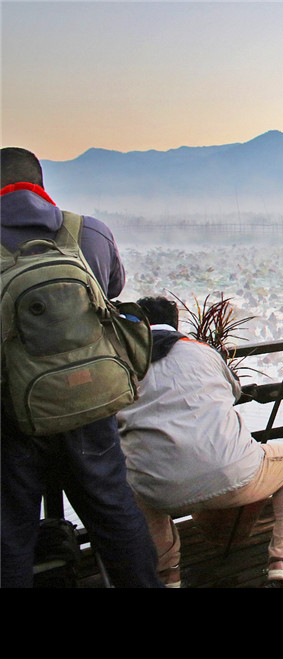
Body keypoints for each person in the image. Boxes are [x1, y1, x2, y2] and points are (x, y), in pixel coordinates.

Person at [0, 146, 162, 588]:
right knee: (114, 509)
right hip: (89, 399)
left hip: (13, 411)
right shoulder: (87, 230)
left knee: (11, 528)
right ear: (40, 184)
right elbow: (113, 289)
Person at [118, 296, 283, 586]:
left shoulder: (120, 362)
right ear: (176, 323)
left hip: (159, 489)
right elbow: (234, 392)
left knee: (131, 482)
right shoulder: (200, 350)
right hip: (232, 475)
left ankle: (166, 573)